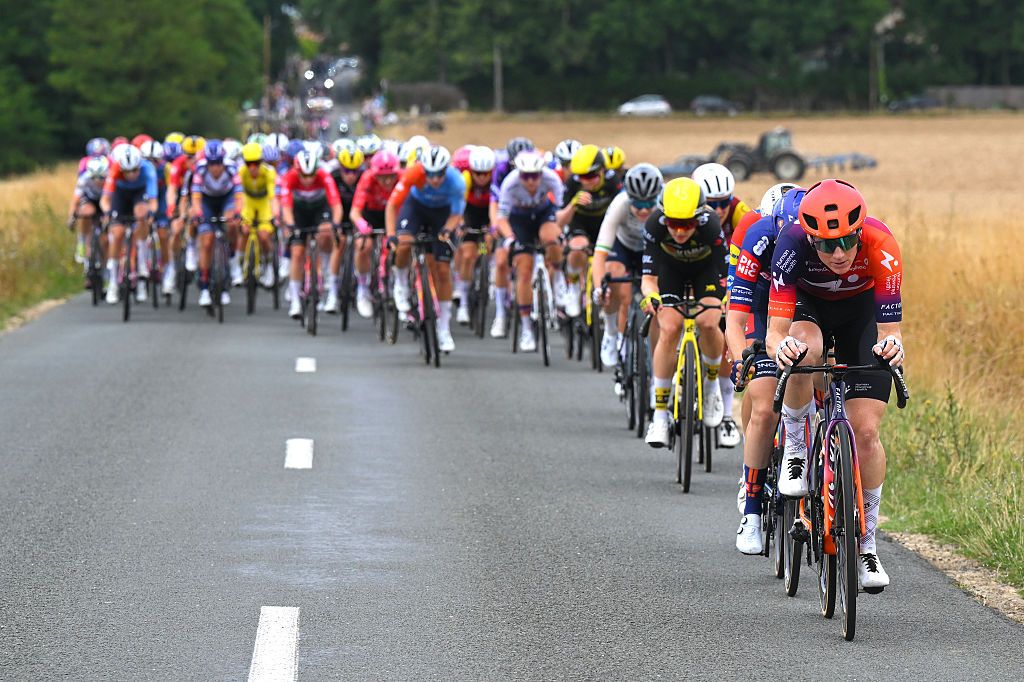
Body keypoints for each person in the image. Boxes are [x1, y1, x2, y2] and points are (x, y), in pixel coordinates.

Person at [767, 178, 904, 590]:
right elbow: (775, 332)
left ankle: (867, 545)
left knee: (865, 432)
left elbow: (891, 331)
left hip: (860, 317)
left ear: (860, 230)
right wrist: (782, 349)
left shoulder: (883, 245)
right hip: (810, 311)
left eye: (846, 241)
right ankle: (795, 444)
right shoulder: (789, 245)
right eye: (826, 245)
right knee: (802, 350)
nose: (839, 253)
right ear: (810, 238)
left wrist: (894, 349)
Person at [726, 187, 806, 554]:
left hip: (804, 309)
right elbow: (736, 316)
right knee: (763, 404)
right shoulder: (759, 236)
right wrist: (742, 357)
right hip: (761, 309)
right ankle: (753, 510)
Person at [640, 178, 727, 447]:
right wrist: (651, 297)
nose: (678, 231)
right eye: (673, 224)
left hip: (705, 272)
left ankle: (712, 388)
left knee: (710, 322)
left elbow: (726, 276)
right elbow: (648, 278)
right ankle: (660, 415)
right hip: (670, 271)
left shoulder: (711, 224)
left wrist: (725, 300)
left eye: (686, 224)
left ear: (699, 218)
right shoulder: (654, 225)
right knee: (668, 327)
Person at [692, 162, 755, 448]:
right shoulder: (686, 213)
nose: (718, 210)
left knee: (727, 334)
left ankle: (727, 410)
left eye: (723, 203)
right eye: (710, 204)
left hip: (729, 272)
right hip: (695, 268)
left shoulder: (742, 216)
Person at [386, 145, 466, 352]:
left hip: (442, 214)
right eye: (430, 175)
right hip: (416, 208)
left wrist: (447, 230)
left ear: (445, 170)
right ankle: (401, 285)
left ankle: (444, 328)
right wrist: (391, 235)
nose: (435, 180)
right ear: (423, 171)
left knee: (441, 270)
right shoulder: (413, 173)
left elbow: (456, 215)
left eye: (439, 174)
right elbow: (393, 205)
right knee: (403, 245)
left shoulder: (456, 181)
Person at [591, 163, 663, 367]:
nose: (644, 210)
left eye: (650, 203)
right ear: (628, 197)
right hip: (624, 247)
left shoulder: (665, 206)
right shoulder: (619, 205)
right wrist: (599, 288)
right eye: (638, 205)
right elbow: (599, 255)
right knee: (614, 279)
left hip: (652, 250)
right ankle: (612, 333)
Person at [493, 150, 565, 352]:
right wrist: (510, 239)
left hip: (544, 214)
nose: (532, 181)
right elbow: (501, 218)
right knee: (524, 270)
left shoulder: (551, 179)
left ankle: (558, 280)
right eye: (526, 176)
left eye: (535, 176)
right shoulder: (510, 183)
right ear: (519, 174)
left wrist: (561, 232)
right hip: (519, 220)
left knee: (552, 239)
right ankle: (526, 329)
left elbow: (560, 209)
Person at [557, 144, 622, 317]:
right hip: (580, 224)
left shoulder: (613, 181)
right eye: (583, 177)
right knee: (578, 247)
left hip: (605, 225)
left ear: (602, 171)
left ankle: (604, 295)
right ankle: (572, 286)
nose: (587, 181)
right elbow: (559, 220)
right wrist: (573, 204)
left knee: (612, 260)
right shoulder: (572, 183)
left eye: (592, 176)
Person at [279, 148, 343, 320]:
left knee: (326, 233)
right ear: (297, 171)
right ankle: (295, 301)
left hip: (319, 210)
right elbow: (285, 206)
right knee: (297, 252)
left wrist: (335, 224)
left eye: (311, 175)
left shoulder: (324, 176)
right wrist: (291, 225)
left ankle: (325, 270)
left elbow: (336, 204)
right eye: (304, 176)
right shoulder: (289, 177)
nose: (308, 180)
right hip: (298, 212)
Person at [100, 144, 158, 304]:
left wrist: (151, 213)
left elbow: (153, 201)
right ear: (121, 169)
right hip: (120, 195)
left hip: (139, 195)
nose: (131, 174)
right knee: (117, 233)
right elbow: (105, 200)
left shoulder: (148, 169)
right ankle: (112, 282)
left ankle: (141, 265)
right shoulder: (114, 170)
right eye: (127, 171)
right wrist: (107, 212)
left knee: (141, 214)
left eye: (134, 170)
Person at [189, 139, 244, 308]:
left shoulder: (232, 169)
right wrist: (198, 214)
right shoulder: (200, 170)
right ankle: (204, 286)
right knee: (206, 241)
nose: (215, 168)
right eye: (212, 164)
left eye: (218, 163)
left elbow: (239, 196)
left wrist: (237, 212)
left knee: (233, 224)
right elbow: (196, 198)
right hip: (207, 202)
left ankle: (233, 260)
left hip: (226, 199)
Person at [350, 150, 401, 318]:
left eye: (390, 176)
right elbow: (355, 212)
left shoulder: (402, 178)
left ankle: (395, 282)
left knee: (396, 247)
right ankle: (362, 288)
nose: (386, 181)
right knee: (363, 246)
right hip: (370, 215)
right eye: (382, 177)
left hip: (392, 215)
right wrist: (361, 224)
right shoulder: (367, 178)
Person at [456, 146, 497, 326]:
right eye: (477, 173)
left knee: (487, 244)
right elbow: (459, 204)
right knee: (467, 255)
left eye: (485, 173)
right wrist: (460, 224)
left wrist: (492, 227)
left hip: (489, 213)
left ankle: (484, 270)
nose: (481, 177)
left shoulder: (496, 179)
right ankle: (463, 302)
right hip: (470, 214)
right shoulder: (465, 179)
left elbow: (498, 207)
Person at [323, 146, 364, 314]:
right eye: (347, 171)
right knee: (338, 244)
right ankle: (332, 292)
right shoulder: (333, 177)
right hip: (338, 212)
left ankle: (361, 281)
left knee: (361, 244)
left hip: (359, 214)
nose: (351, 176)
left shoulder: (364, 177)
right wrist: (335, 225)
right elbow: (332, 204)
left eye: (355, 171)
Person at [238, 142, 280, 290]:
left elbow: (272, 197)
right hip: (248, 203)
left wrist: (275, 215)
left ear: (261, 162)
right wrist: (239, 214)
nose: (252, 167)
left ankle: (267, 263)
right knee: (244, 230)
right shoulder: (241, 172)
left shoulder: (269, 172)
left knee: (263, 235)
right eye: (248, 163)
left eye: (255, 163)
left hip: (263, 204)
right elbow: (239, 195)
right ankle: (240, 261)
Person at [68, 155, 109, 269]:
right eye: (94, 177)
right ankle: (82, 242)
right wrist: (72, 217)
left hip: (105, 200)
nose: (97, 181)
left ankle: (105, 267)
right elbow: (75, 200)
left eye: (101, 177)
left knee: (105, 238)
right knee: (85, 212)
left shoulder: (110, 178)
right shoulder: (84, 179)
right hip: (90, 199)